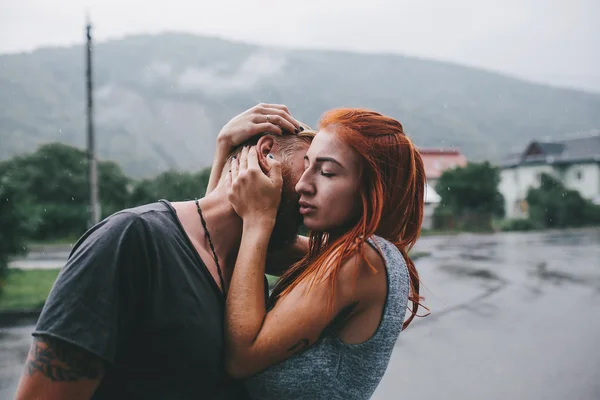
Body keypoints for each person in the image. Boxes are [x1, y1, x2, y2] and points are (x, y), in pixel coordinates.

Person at [14, 103, 315, 400]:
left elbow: (349, 250)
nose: (319, 189)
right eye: (312, 167)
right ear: (265, 153)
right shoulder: (132, 239)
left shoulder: (245, 279)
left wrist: (225, 152)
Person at [217, 108, 427, 399]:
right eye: (307, 166)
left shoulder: (364, 259)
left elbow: (242, 358)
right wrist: (224, 149)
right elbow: (223, 245)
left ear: (373, 188)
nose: (303, 184)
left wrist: (258, 220)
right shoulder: (334, 255)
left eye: (326, 172)